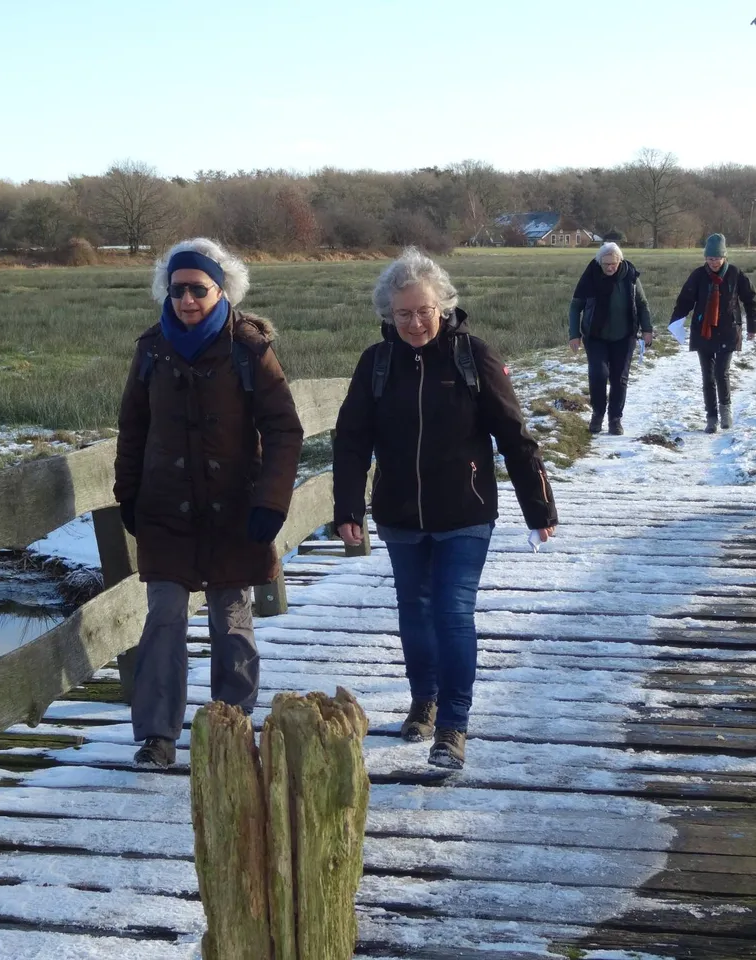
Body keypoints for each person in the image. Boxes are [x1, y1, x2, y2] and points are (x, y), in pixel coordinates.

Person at [332, 247, 558, 771]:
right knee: (414, 610)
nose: (414, 322)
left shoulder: (472, 356)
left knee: (452, 612)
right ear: (388, 314)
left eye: (424, 310)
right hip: (399, 514)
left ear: (444, 306)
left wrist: (539, 506)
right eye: (402, 313)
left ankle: (453, 724)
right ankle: (423, 700)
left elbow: (515, 435)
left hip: (465, 511)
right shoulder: (376, 363)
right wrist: (348, 507)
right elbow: (350, 440)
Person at [114, 238, 304, 769]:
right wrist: (127, 495)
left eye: (199, 288)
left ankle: (232, 728)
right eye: (178, 290)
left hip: (234, 511)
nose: (187, 300)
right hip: (165, 510)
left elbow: (284, 430)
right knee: (164, 617)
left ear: (222, 288)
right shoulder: (151, 348)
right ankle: (156, 737)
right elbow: (132, 429)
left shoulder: (249, 347)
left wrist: (271, 502)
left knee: (230, 616)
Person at [669, 233, 756, 434]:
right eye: (710, 259)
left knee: (721, 372)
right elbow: (684, 301)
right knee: (707, 376)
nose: (714, 263)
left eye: (717, 258)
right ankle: (711, 418)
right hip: (704, 332)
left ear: (724, 257)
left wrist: (753, 327)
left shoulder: (736, 275)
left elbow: (750, 300)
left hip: (728, 331)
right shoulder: (698, 276)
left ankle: (725, 411)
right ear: (705, 259)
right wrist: (675, 323)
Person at [568, 241, 654, 435]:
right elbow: (575, 307)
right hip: (595, 336)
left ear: (619, 261)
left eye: (613, 263)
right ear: (600, 262)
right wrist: (574, 335)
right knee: (598, 374)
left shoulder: (630, 277)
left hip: (624, 336)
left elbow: (642, 304)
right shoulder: (590, 276)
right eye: (606, 264)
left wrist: (647, 329)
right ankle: (598, 414)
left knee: (619, 378)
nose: (610, 267)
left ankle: (615, 419)